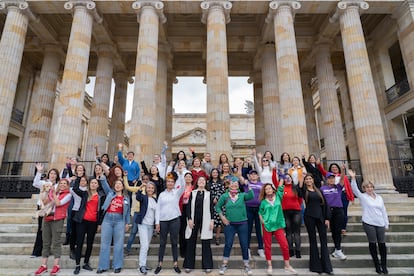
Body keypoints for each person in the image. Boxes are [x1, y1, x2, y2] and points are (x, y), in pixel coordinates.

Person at [349, 169, 389, 274]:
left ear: (373, 188)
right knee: (373, 243)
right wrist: (353, 178)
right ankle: (377, 265)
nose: (369, 188)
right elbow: (355, 190)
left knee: (382, 244)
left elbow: (383, 210)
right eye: (367, 187)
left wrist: (386, 223)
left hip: (380, 222)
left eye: (371, 187)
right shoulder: (363, 197)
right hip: (369, 222)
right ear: (364, 189)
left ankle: (384, 265)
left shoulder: (379, 198)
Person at [215, 176, 254, 276]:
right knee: (228, 244)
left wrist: (247, 184)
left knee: (244, 244)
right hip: (230, 224)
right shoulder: (225, 196)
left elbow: (251, 195)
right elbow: (217, 207)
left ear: (238, 186)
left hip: (242, 223)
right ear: (229, 185)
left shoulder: (242, 195)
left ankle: (246, 265)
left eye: (236, 185)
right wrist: (222, 217)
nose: (234, 186)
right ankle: (224, 264)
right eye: (232, 184)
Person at [34, 178, 72, 276]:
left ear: (67, 186)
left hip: (57, 219)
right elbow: (45, 202)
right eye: (61, 183)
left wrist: (54, 194)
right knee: (45, 242)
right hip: (47, 218)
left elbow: (59, 203)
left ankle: (56, 265)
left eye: (64, 184)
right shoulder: (52, 192)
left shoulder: (68, 194)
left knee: (56, 242)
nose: (62, 185)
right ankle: (44, 265)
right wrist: (46, 194)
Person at [258, 183, 297, 275]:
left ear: (273, 189)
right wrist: (263, 221)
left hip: (278, 225)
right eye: (266, 189)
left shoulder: (278, 197)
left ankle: (287, 265)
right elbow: (260, 212)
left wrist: (279, 172)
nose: (268, 190)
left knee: (285, 245)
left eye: (269, 188)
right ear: (265, 191)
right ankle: (269, 265)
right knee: (267, 246)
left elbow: (280, 186)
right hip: (267, 226)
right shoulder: (263, 202)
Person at [298, 173, 333, 275]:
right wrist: (300, 179)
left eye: (310, 179)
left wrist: (327, 218)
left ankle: (327, 267)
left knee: (323, 241)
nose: (308, 180)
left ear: (313, 180)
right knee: (313, 241)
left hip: (320, 217)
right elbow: (299, 191)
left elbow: (325, 204)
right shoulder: (305, 191)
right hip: (309, 217)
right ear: (305, 181)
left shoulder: (319, 190)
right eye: (307, 179)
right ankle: (316, 266)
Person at [154, 168, 186, 274]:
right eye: (168, 181)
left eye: (172, 182)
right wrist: (157, 222)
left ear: (174, 183)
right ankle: (160, 264)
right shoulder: (162, 195)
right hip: (163, 221)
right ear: (166, 183)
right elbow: (158, 209)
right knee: (162, 243)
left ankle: (175, 264)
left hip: (174, 220)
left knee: (174, 242)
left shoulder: (176, 192)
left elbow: (183, 186)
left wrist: (181, 175)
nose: (170, 183)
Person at [96, 175, 131, 274]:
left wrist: (127, 223)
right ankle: (103, 266)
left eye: (120, 184)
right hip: (107, 219)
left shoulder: (126, 198)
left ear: (123, 187)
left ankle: (117, 265)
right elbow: (104, 184)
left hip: (120, 220)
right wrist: (102, 176)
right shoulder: (110, 193)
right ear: (114, 186)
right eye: (116, 184)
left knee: (119, 244)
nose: (118, 186)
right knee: (104, 243)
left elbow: (127, 212)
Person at [72, 175, 104, 274]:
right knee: (80, 242)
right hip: (82, 221)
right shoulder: (85, 193)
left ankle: (86, 262)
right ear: (89, 185)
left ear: (98, 185)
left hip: (93, 222)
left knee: (90, 243)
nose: (93, 184)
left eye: (95, 183)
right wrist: (78, 177)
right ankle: (77, 265)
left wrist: (99, 223)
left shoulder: (100, 196)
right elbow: (75, 188)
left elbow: (101, 211)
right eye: (92, 183)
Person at [183, 176, 214, 273]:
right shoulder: (193, 193)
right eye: (200, 180)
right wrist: (189, 219)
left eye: (203, 180)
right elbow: (188, 207)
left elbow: (212, 208)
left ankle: (207, 265)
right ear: (197, 182)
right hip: (194, 219)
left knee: (206, 242)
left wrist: (212, 220)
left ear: (205, 183)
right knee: (191, 241)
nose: (201, 182)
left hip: (206, 219)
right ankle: (189, 265)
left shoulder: (209, 194)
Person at [317, 161, 354, 235]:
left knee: (344, 212)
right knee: (330, 211)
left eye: (336, 167)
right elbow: (322, 171)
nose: (334, 168)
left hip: (343, 194)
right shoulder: (329, 176)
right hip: (332, 195)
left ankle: (343, 228)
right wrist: (319, 165)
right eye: (332, 167)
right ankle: (333, 226)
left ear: (338, 168)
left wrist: (351, 196)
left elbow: (348, 186)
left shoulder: (343, 176)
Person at [31, 163, 60, 258]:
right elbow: (35, 183)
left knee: (49, 230)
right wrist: (39, 171)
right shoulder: (43, 183)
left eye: (55, 174)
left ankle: (46, 250)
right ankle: (36, 252)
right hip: (42, 208)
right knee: (41, 229)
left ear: (57, 176)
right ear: (49, 175)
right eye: (51, 173)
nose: (52, 175)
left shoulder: (58, 186)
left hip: (51, 209)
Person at [321, 171, 347, 260]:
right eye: (329, 178)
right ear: (326, 180)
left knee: (337, 230)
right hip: (328, 211)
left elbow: (342, 179)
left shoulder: (338, 187)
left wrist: (343, 171)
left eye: (333, 178)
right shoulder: (322, 189)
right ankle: (336, 249)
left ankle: (338, 249)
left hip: (338, 210)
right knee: (332, 230)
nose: (331, 180)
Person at [125, 173, 150, 255]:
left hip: (147, 213)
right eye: (144, 179)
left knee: (146, 233)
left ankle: (145, 250)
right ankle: (127, 249)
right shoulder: (138, 188)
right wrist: (125, 177)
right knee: (133, 231)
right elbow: (127, 187)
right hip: (137, 212)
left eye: (147, 179)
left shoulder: (151, 190)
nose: (145, 181)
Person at [242, 169, 265, 258]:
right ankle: (247, 249)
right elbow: (240, 177)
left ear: (258, 176)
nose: (254, 175)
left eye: (255, 174)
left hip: (259, 208)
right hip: (248, 208)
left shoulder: (261, 184)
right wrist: (240, 167)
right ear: (249, 176)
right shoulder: (246, 183)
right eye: (252, 174)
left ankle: (260, 248)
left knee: (259, 229)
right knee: (248, 229)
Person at [136, 181, 158, 275]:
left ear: (154, 190)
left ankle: (144, 264)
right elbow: (137, 196)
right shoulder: (143, 197)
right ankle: (141, 266)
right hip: (143, 224)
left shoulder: (155, 200)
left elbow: (157, 213)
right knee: (144, 245)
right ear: (146, 189)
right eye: (148, 188)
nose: (150, 189)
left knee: (147, 246)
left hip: (150, 226)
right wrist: (141, 187)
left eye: (152, 188)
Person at [279, 174, 303, 259]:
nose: (288, 179)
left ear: (292, 179)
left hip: (296, 211)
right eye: (286, 178)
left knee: (296, 232)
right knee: (288, 232)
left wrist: (295, 206)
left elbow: (300, 199)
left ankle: (298, 251)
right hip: (285, 212)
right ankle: (290, 250)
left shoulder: (295, 188)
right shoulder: (282, 189)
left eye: (289, 178)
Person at [179, 172, 194, 258]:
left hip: (191, 209)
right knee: (182, 230)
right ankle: (182, 250)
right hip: (182, 209)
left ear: (192, 179)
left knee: (190, 229)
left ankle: (189, 250)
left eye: (189, 177)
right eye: (186, 177)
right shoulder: (181, 188)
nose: (188, 178)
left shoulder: (194, 188)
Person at [209, 168, 225, 245]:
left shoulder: (221, 182)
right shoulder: (208, 182)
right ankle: (209, 235)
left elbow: (222, 191)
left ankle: (217, 237)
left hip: (219, 203)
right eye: (213, 172)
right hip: (210, 203)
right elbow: (207, 191)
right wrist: (212, 199)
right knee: (210, 220)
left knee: (218, 221)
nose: (215, 174)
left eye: (216, 172)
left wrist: (217, 198)